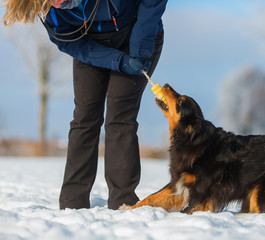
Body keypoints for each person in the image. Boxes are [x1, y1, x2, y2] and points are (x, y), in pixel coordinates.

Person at [2, 0, 168, 210]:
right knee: (85, 117)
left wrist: (140, 48)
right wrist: (118, 61)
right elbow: (71, 42)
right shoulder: (51, 13)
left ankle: (123, 202)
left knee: (120, 116)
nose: (58, 2)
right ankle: (72, 204)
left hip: (139, 34)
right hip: (91, 46)